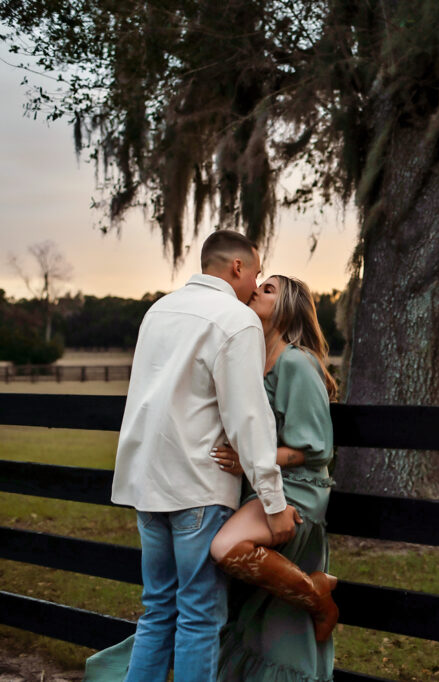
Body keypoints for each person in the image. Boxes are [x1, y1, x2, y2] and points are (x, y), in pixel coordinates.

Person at [107, 230, 299, 682]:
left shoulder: (158, 310)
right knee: (197, 617)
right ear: (236, 267)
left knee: (157, 611)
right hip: (197, 484)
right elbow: (248, 419)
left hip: (146, 484)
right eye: (255, 271)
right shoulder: (236, 319)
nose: (256, 284)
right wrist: (274, 506)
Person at [209, 274, 339, 681]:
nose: (255, 290)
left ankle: (319, 600)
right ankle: (309, 587)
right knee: (253, 617)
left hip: (297, 491)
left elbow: (314, 448)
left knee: (226, 547)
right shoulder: (251, 362)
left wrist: (253, 460)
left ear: (287, 309)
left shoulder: (296, 363)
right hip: (260, 486)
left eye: (268, 290)